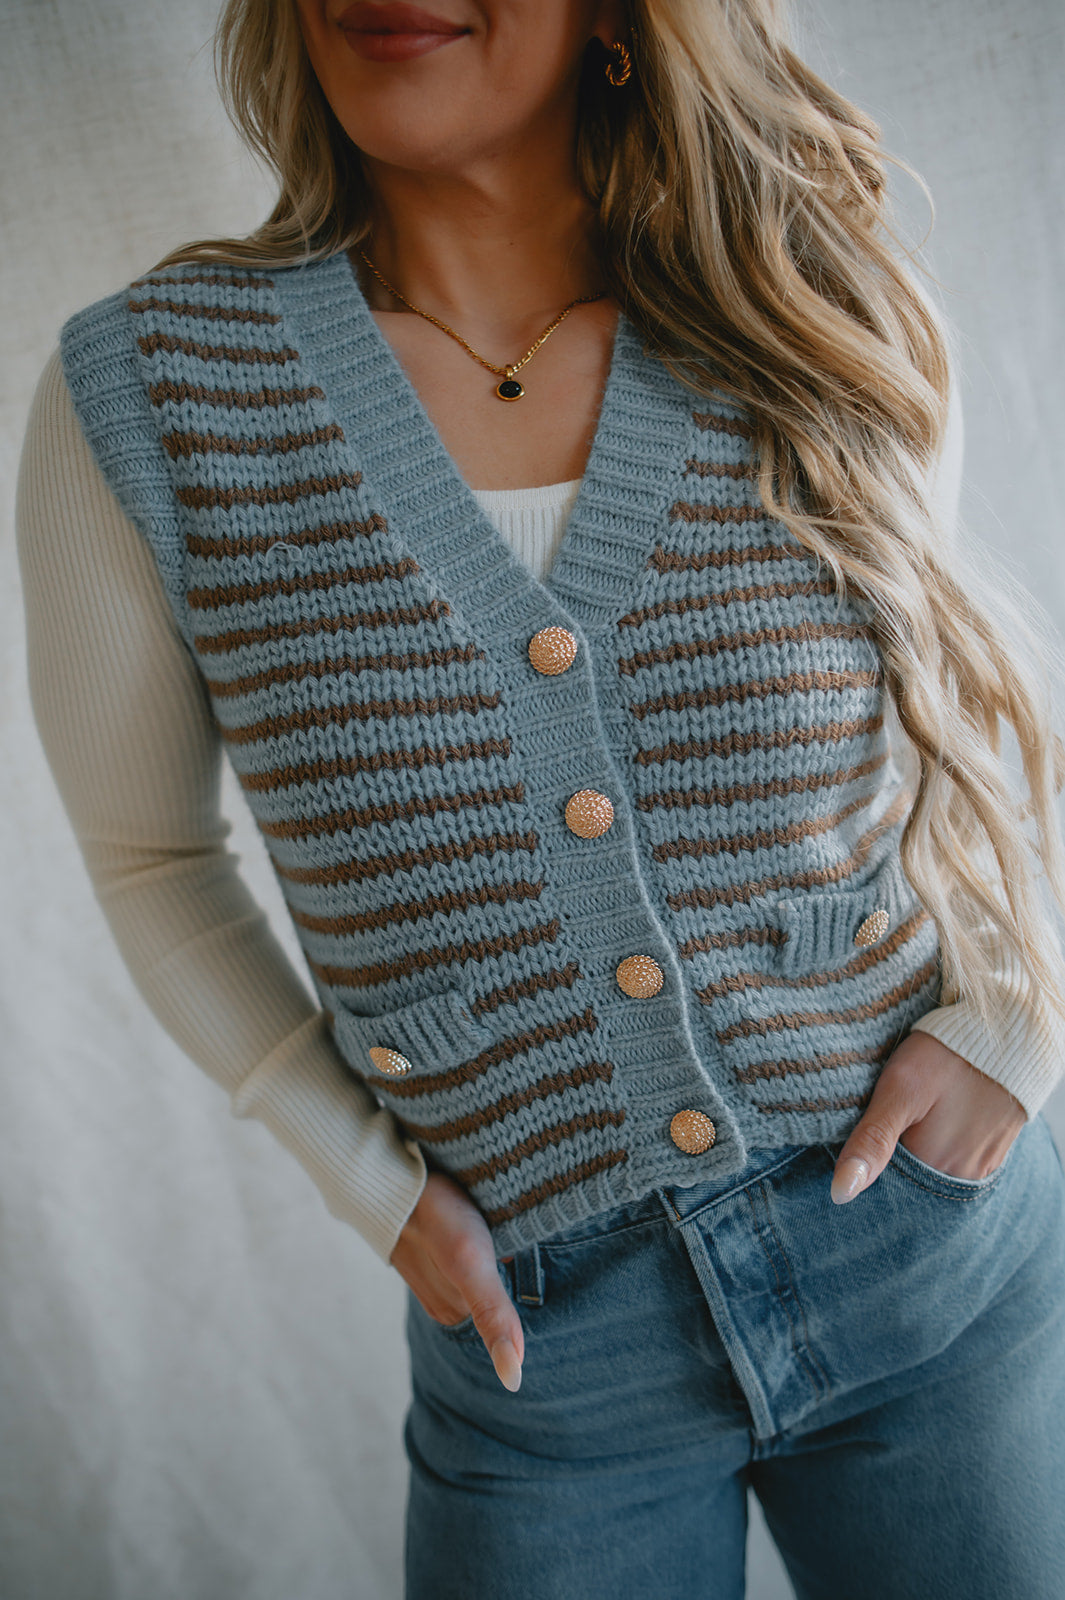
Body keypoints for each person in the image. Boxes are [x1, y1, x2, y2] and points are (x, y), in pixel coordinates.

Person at [16, 1, 1065, 1595]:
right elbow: (152, 857)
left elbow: (959, 705)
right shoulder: (155, 395)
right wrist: (371, 1188)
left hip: (934, 1258)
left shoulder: (794, 297)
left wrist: (1015, 1018)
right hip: (545, 1356)